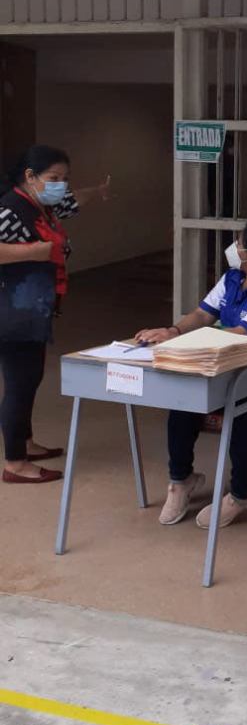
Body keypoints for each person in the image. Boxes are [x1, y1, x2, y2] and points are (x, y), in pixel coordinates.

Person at [136, 219, 247, 528]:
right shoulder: (232, 278)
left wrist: (192, 343)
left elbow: (243, 333)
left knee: (242, 419)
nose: (233, 247)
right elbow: (202, 314)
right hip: (212, 361)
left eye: (239, 243)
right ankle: (181, 479)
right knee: (181, 406)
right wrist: (172, 332)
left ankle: (242, 492)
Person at [0, 145, 110, 484]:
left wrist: (99, 190)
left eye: (64, 178)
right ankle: (15, 463)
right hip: (12, 313)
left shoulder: (41, 204)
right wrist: (34, 252)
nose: (61, 185)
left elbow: (73, 200)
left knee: (30, 377)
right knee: (20, 382)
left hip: (31, 309)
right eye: (54, 178)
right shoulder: (12, 209)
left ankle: (25, 443)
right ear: (30, 176)